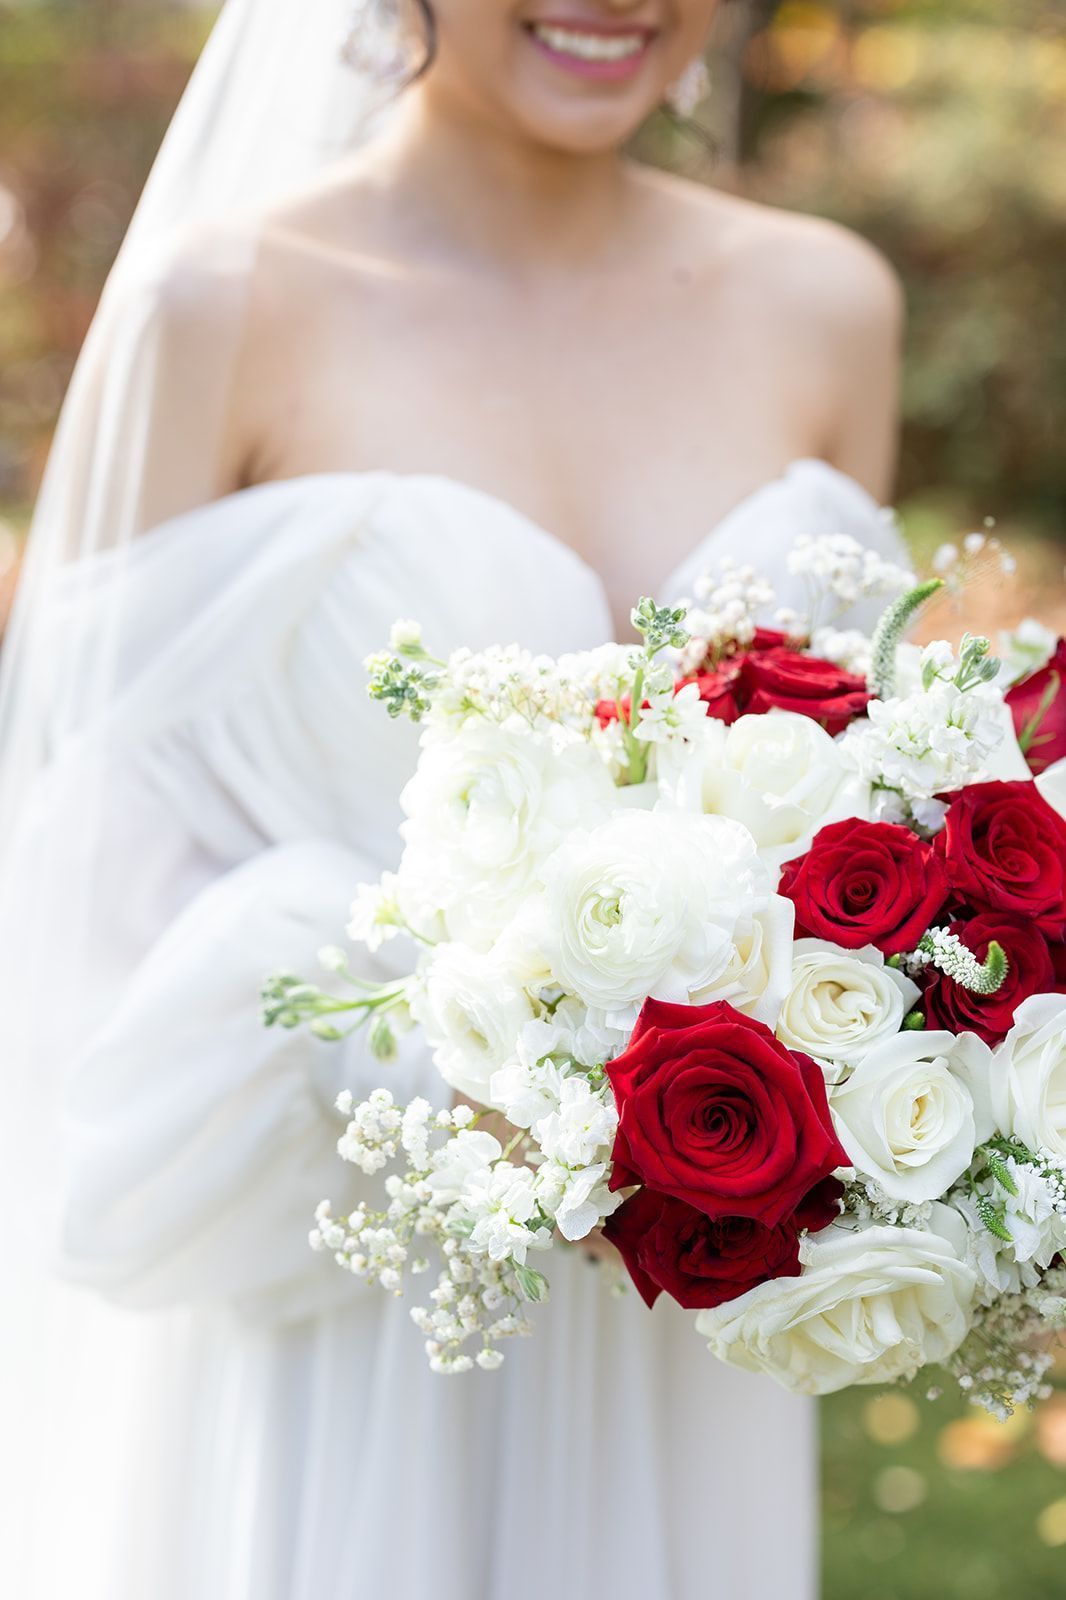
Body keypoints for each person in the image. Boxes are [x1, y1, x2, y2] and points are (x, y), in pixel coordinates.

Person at [0, 3, 910, 1596]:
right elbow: (74, 883)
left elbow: (858, 812)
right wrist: (446, 1065)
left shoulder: (827, 305)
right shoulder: (222, 304)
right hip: (334, 1301)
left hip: (679, 1301)